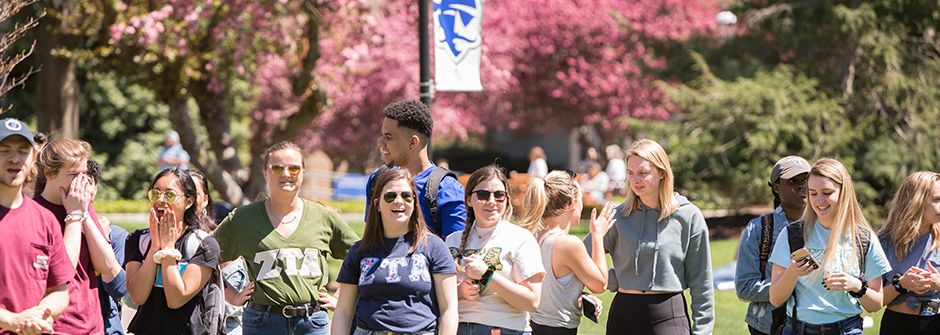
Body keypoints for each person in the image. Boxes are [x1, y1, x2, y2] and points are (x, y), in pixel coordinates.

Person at [212, 141, 359, 335]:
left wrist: (340, 298)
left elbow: (363, 256)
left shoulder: (324, 216)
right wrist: (231, 294)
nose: (286, 174)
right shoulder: (242, 219)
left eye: (294, 168)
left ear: (303, 173)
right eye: (277, 168)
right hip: (262, 323)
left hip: (312, 323)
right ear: (265, 173)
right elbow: (205, 257)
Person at [584, 138, 714, 335]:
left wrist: (703, 331)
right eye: (630, 173)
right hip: (623, 316)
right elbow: (579, 258)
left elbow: (701, 282)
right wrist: (613, 278)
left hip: (668, 315)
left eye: (643, 173)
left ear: (662, 173)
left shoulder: (688, 216)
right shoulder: (617, 216)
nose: (635, 180)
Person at [769, 159, 892, 335]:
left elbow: (876, 304)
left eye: (827, 193)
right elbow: (775, 299)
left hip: (847, 329)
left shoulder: (864, 238)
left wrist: (856, 285)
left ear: (844, 192)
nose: (819, 201)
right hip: (799, 329)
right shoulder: (792, 235)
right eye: (812, 193)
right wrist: (793, 272)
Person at [332, 169, 458, 335]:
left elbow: (449, 309)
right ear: (376, 204)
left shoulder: (434, 247)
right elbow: (343, 312)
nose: (399, 201)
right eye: (390, 196)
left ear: (414, 202)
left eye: (406, 196)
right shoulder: (359, 252)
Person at [35, 138, 122, 334]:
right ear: (49, 173)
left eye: (84, 174)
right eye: (74, 174)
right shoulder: (36, 212)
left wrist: (83, 214)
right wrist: (73, 215)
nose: (82, 182)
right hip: (57, 327)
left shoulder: (82, 205)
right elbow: (62, 273)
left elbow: (106, 265)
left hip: (92, 325)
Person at [445, 165, 545, 335]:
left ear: (506, 200)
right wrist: (460, 291)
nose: (492, 201)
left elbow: (532, 302)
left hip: (505, 330)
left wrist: (487, 275)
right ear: (469, 200)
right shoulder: (451, 240)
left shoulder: (521, 238)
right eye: (483, 195)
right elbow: (435, 296)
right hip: (457, 329)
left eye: (499, 195)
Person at [124, 168, 221, 334]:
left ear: (189, 202)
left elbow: (176, 299)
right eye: (155, 194)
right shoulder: (137, 240)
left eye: (169, 195)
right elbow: (138, 296)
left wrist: (168, 249)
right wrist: (155, 247)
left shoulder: (204, 244)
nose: (160, 200)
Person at [518, 170, 616, 335]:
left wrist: (577, 293)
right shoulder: (568, 244)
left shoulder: (534, 236)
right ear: (572, 203)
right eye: (581, 199)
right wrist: (597, 236)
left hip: (535, 327)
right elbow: (600, 284)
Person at [0, 118, 73, 335]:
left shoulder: (45, 219)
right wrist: (13, 320)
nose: (15, 158)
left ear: (33, 160)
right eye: (4, 150)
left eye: (23, 151)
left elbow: (60, 291)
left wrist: (40, 314)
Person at [368, 99, 467, 238]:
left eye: (388, 137)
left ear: (412, 142)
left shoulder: (447, 189)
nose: (380, 143)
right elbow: (371, 240)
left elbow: (455, 252)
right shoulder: (378, 179)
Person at [735, 156, 810, 335]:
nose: (801, 186)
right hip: (770, 326)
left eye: (806, 180)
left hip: (818, 324)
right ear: (776, 188)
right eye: (793, 181)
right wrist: (788, 285)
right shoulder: (759, 229)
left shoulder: (826, 227)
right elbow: (744, 288)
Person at [189, 169, 253, 335]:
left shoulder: (219, 243)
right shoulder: (160, 239)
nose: (188, 198)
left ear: (205, 200)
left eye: (194, 193)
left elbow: (235, 306)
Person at [878, 171, 940, 334]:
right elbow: (873, 302)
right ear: (916, 201)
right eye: (936, 199)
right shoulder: (883, 242)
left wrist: (938, 283)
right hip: (896, 325)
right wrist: (901, 284)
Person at [87, 159, 129, 335]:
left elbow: (118, 288)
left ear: (95, 188)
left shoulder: (115, 234)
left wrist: (104, 240)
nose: (80, 189)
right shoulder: (50, 229)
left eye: (87, 183)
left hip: (106, 327)